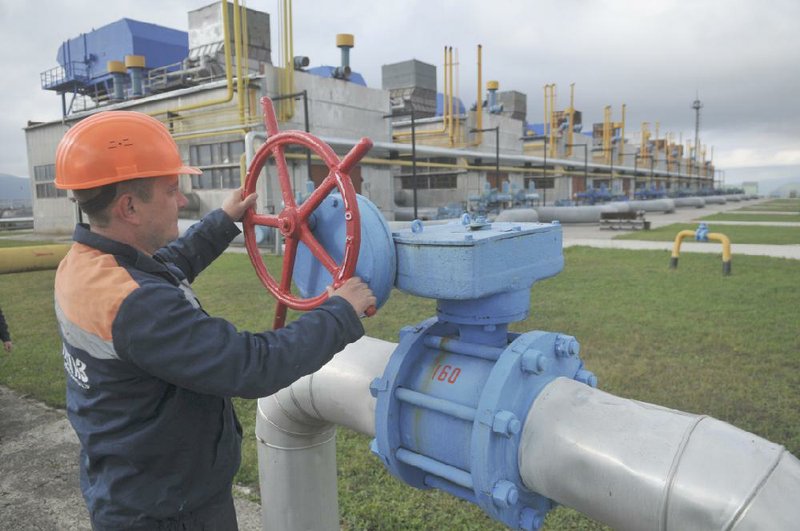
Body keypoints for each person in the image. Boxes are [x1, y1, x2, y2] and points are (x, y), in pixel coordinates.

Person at [53, 110, 376, 531]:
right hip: (170, 512)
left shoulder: (87, 266)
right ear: (129, 206)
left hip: (130, 484)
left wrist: (224, 222)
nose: (183, 200)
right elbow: (250, 365)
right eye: (171, 190)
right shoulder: (137, 306)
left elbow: (169, 266)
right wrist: (339, 313)